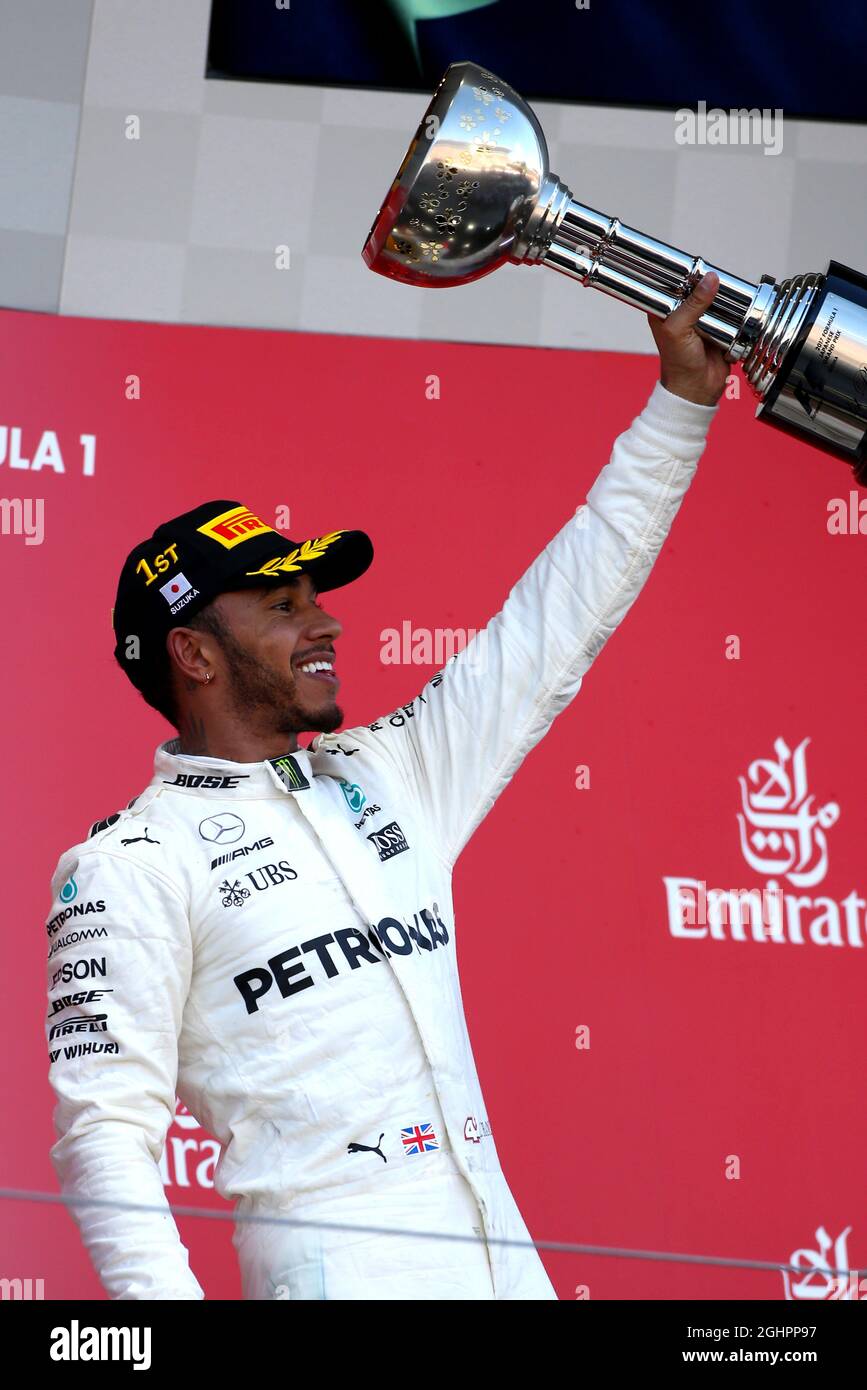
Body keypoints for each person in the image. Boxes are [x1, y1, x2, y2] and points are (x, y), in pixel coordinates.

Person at [44, 274, 728, 1300]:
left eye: (318, 599)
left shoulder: (391, 771)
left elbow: (557, 619)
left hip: (505, 1258)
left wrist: (679, 407)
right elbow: (105, 1134)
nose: (326, 626)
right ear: (193, 654)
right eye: (283, 605)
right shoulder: (130, 863)